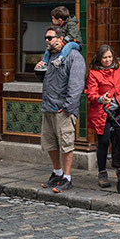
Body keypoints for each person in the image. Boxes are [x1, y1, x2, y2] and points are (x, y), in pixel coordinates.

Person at [38, 25, 86, 193]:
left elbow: (76, 85)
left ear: (60, 39)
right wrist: (40, 69)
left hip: (63, 110)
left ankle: (67, 177)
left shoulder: (74, 57)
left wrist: (67, 108)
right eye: (46, 38)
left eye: (49, 38)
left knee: (66, 144)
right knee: (50, 143)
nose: (46, 40)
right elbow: (46, 80)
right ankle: (57, 173)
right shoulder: (49, 56)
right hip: (48, 107)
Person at [85, 45, 120, 188]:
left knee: (119, 141)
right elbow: (90, 92)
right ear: (99, 58)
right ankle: (102, 172)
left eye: (110, 57)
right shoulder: (93, 73)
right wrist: (100, 98)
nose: (108, 60)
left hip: (118, 110)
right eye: (105, 57)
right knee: (104, 142)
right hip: (102, 112)